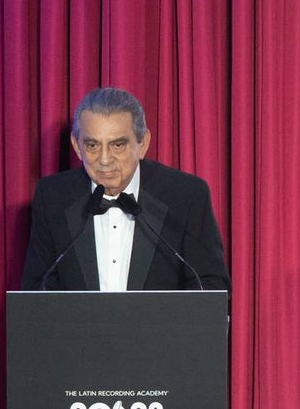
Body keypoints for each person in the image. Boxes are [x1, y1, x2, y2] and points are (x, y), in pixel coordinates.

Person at [22, 86, 231, 291]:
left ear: (143, 143)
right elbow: (36, 291)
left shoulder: (186, 195)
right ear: (77, 146)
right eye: (93, 145)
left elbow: (210, 288)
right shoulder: (52, 197)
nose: (104, 160)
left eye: (117, 145)